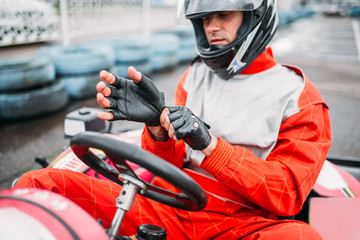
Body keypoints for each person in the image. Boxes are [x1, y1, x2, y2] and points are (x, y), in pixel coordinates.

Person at [15, 0, 331, 239]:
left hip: (242, 224)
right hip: (170, 205)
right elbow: (165, 165)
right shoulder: (194, 76)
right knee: (38, 186)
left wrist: (210, 146)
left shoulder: (297, 96)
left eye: (223, 15)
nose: (212, 27)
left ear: (255, 17)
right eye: (206, 18)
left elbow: (287, 194)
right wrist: (156, 127)